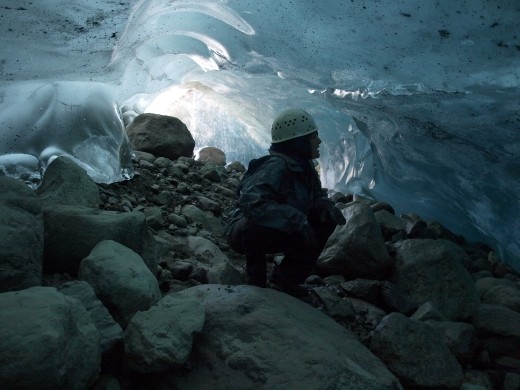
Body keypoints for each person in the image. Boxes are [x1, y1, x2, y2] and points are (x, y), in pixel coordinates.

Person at [226, 108, 346, 294]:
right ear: (299, 141)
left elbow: (317, 195)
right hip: (244, 232)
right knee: (255, 226)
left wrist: (326, 207)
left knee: (324, 221)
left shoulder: (305, 167)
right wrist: (296, 219)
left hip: (278, 228)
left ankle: (286, 279)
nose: (319, 141)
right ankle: (255, 281)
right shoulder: (276, 165)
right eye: (314, 136)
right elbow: (251, 203)